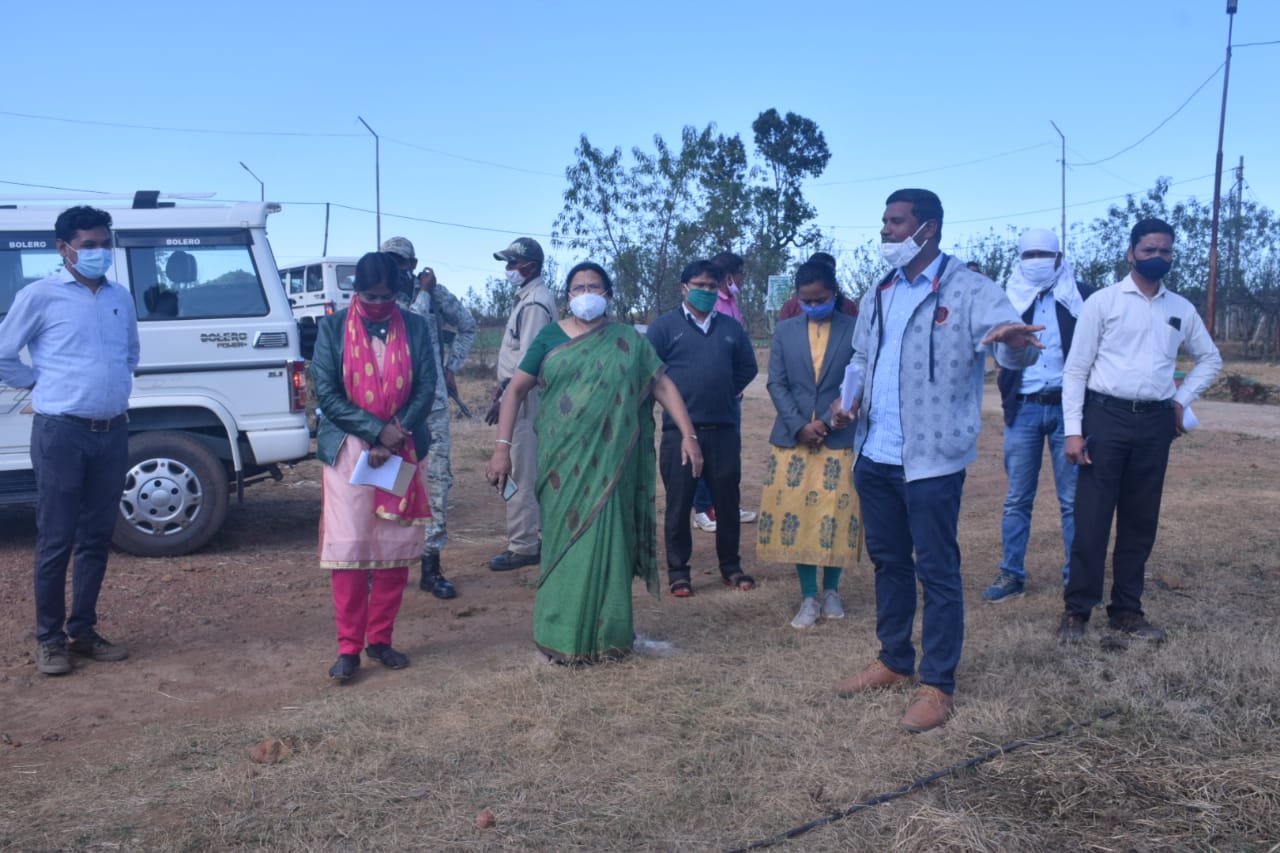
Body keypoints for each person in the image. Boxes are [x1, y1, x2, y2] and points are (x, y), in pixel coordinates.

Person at [829, 189, 1043, 733]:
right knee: (889, 562)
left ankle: (938, 683)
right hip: (875, 453)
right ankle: (894, 660)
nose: (886, 232)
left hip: (931, 460)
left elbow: (1012, 347)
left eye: (896, 223)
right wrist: (847, 398)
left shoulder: (971, 289)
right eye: (884, 222)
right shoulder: (879, 292)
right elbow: (860, 356)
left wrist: (1016, 344)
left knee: (938, 570)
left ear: (929, 229)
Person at [484, 262, 701, 663]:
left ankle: (610, 636)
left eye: (594, 287)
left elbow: (662, 384)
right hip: (560, 464)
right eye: (578, 287)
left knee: (609, 541)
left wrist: (688, 435)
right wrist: (502, 447)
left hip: (613, 464)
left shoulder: (628, 340)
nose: (586, 293)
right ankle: (559, 635)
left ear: (608, 294)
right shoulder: (549, 336)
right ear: (568, 296)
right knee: (565, 544)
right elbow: (515, 390)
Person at [1058, 218, 1221, 644]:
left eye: (1165, 252)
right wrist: (1073, 432)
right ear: (1131, 253)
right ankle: (1077, 612)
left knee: (1139, 521)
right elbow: (1075, 369)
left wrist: (1181, 402)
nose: (1157, 258)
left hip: (1154, 424)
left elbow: (1210, 359)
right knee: (1092, 520)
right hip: (1105, 418)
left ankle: (1127, 611)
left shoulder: (1180, 309)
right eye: (1149, 251)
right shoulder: (1103, 303)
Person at [0, 205, 139, 676]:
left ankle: (83, 631)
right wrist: (39, 383)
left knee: (97, 537)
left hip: (112, 431)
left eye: (105, 244)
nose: (100, 252)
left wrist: (112, 385)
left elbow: (130, 353)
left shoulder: (120, 296)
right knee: (56, 538)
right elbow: (2, 353)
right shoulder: (40, 296)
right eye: (89, 246)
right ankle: (49, 639)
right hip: (61, 433)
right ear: (64, 250)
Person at [310, 252, 437, 681]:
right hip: (349, 451)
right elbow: (326, 392)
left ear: (398, 293)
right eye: (370, 295)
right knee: (350, 547)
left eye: (387, 296)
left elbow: (426, 387)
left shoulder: (417, 327)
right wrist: (373, 431)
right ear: (355, 292)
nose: (379, 302)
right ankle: (348, 648)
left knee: (392, 547)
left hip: (400, 448)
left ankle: (380, 639)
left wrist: (395, 432)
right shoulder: (331, 329)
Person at [983, 229, 1096, 602]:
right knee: (1017, 498)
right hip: (1025, 409)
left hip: (1070, 411)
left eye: (1043, 254)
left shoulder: (1083, 297)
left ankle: (1075, 575)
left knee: (1072, 499)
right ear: (1019, 258)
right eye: (1029, 254)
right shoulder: (1006, 299)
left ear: (1059, 257)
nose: (1036, 260)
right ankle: (1011, 574)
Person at [758, 261, 861, 629]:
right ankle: (808, 597)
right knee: (799, 517)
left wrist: (840, 415)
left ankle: (832, 590)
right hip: (794, 439)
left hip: (840, 436)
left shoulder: (855, 329)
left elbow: (859, 378)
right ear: (797, 298)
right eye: (806, 300)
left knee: (835, 514)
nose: (814, 305)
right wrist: (800, 424)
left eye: (821, 299)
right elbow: (777, 384)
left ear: (834, 294)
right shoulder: (785, 331)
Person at [647, 259, 759, 596]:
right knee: (679, 504)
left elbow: (747, 368)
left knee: (727, 501)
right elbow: (651, 374)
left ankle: (730, 566)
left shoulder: (731, 328)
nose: (706, 292)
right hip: (678, 434)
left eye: (712, 286)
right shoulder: (664, 328)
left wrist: (723, 390)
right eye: (699, 286)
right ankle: (679, 572)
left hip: (723, 428)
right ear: (684, 288)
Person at [381, 237, 476, 600]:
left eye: (401, 262)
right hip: (394, 411)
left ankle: (431, 566)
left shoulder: (435, 295)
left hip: (432, 407)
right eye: (389, 261)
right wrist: (422, 293)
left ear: (413, 263)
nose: (395, 269)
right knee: (392, 485)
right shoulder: (382, 300)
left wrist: (452, 366)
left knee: (437, 483)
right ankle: (386, 564)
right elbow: (411, 326)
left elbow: (467, 325)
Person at [484, 238, 557, 572]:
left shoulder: (533, 305)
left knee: (520, 471)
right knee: (524, 468)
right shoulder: (529, 299)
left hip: (525, 400)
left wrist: (507, 397)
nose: (508, 270)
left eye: (512, 264)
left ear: (529, 265)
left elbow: (530, 361)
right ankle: (530, 537)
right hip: (520, 396)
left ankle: (523, 545)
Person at [690, 251, 758, 533]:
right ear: (729, 275)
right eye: (740, 273)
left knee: (729, 454)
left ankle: (726, 504)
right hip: (707, 396)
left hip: (731, 397)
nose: (743, 279)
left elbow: (742, 355)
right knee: (704, 451)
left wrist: (733, 387)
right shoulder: (712, 305)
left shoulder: (732, 303)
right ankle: (703, 507)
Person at [777, 252, 859, 322]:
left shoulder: (848, 306)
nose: (813, 305)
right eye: (807, 302)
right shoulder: (791, 306)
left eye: (821, 300)